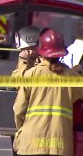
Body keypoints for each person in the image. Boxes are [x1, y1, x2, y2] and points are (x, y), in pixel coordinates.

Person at [13, 28, 83, 156]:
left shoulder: (31, 74)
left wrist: (20, 131)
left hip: (31, 143)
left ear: (41, 51)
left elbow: (19, 109)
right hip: (61, 145)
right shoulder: (73, 77)